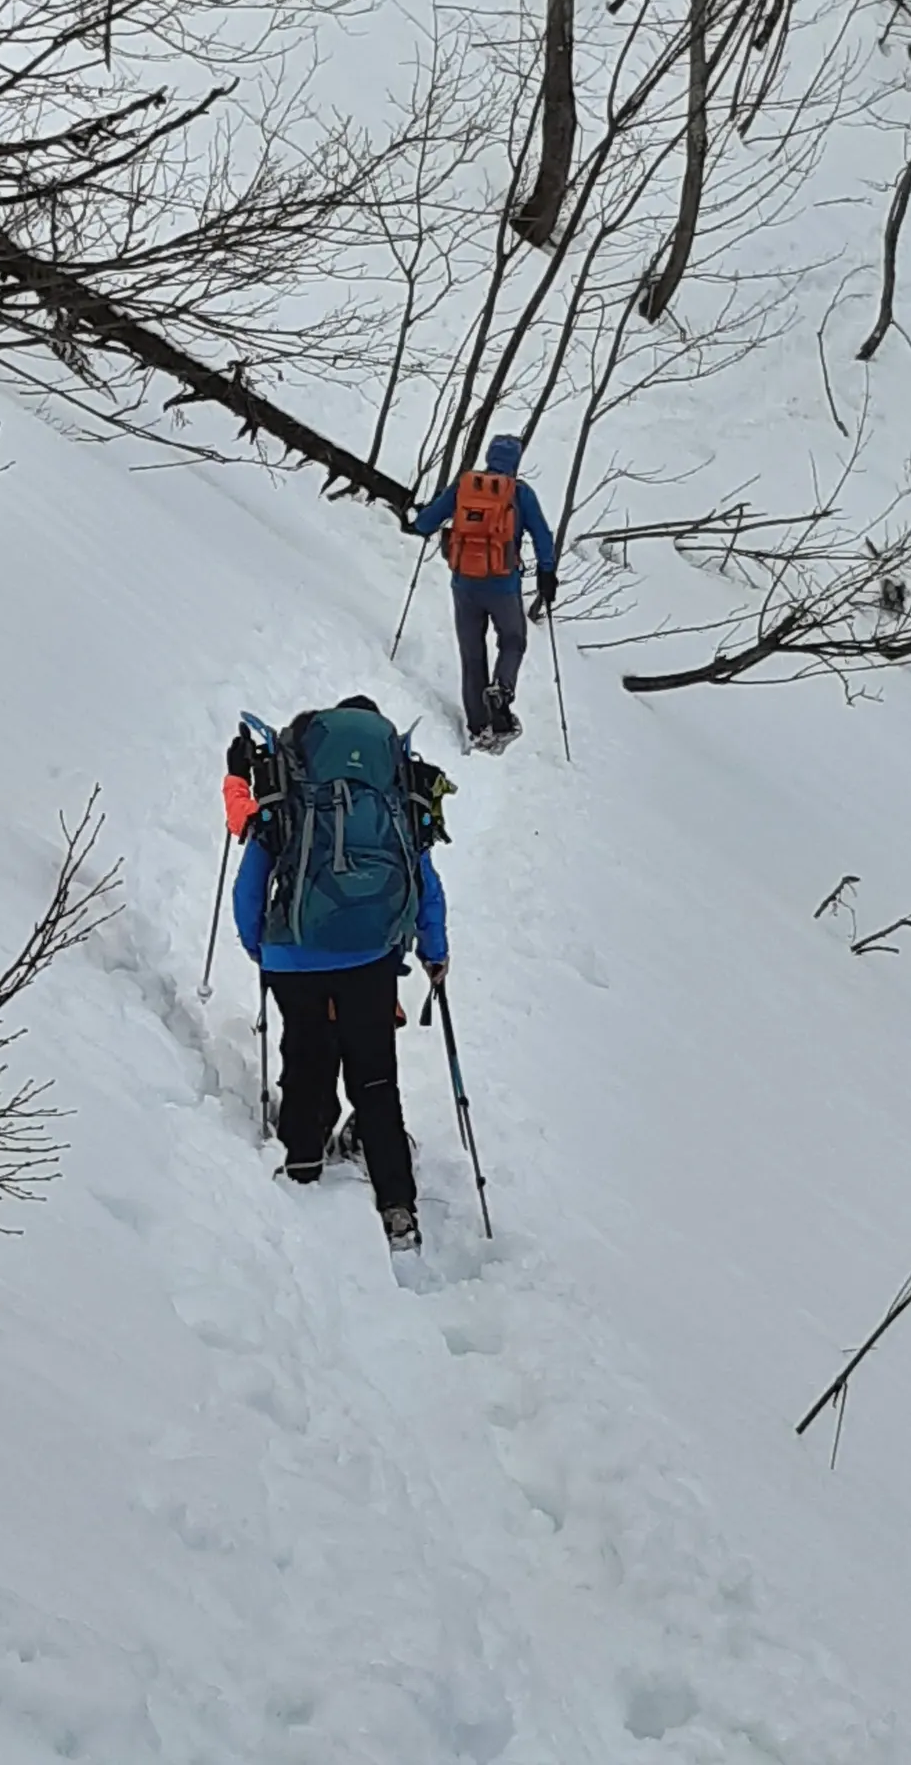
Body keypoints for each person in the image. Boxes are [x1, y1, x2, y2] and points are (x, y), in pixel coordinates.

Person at [224, 696, 448, 1252]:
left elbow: (250, 883)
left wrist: (262, 949)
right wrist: (434, 952)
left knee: (306, 1055)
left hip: (294, 955)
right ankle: (397, 1208)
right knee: (375, 1081)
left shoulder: (291, 792)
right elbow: (426, 884)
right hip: (370, 955)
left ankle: (302, 1162)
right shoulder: (395, 799)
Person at [407, 432, 557, 751]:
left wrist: (418, 515)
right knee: (513, 641)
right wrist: (547, 573)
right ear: (515, 462)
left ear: (489, 457)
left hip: (464, 584)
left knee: (472, 653)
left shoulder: (465, 486)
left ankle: (479, 729)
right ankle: (501, 690)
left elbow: (425, 523)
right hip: (503, 585)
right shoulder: (519, 493)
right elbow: (543, 535)